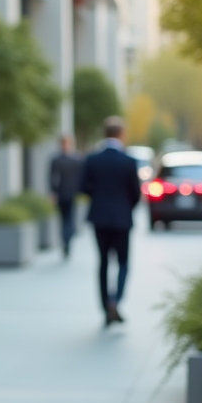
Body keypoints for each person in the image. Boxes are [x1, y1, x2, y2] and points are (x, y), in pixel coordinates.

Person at [80, 116, 141, 326]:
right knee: (123, 263)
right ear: (121, 134)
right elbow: (136, 193)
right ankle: (116, 301)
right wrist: (125, 207)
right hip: (122, 219)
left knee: (103, 263)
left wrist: (99, 198)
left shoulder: (92, 159)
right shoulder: (128, 161)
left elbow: (83, 187)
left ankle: (106, 306)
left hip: (99, 218)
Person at [49, 134, 83, 257]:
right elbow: (52, 177)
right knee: (66, 219)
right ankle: (66, 240)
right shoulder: (70, 159)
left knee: (67, 219)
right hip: (63, 193)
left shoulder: (73, 159)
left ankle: (66, 240)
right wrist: (53, 192)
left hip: (68, 193)